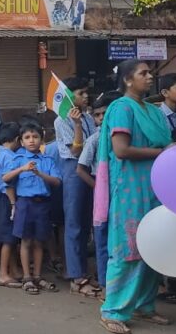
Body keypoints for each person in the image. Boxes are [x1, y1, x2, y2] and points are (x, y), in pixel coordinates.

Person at [95, 59, 174, 333]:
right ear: (128, 80)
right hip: (130, 187)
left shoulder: (153, 111)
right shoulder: (120, 109)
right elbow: (121, 150)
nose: (150, 77)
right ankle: (113, 310)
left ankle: (144, 305)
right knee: (127, 249)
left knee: (153, 247)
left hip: (156, 188)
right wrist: (163, 153)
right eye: (144, 73)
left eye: (150, 72)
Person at [53, 76, 100, 295]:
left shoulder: (90, 117)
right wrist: (78, 125)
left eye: (85, 92)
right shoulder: (62, 120)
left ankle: (84, 270)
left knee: (87, 222)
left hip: (90, 169)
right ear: (70, 99)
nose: (85, 96)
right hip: (73, 171)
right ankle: (76, 276)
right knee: (73, 224)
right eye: (80, 94)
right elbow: (75, 150)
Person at [4, 124, 61, 295]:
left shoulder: (47, 160)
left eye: (35, 137)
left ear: (41, 139)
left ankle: (37, 275)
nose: (31, 140)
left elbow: (57, 182)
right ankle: (27, 277)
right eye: (27, 137)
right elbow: (5, 178)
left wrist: (39, 174)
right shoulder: (18, 159)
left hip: (42, 204)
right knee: (26, 241)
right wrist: (22, 169)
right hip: (25, 203)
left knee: (39, 241)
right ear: (21, 141)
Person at [76, 90, 120, 294]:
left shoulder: (122, 137)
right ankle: (104, 284)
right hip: (101, 192)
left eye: (105, 113)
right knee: (102, 239)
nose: (101, 118)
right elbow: (80, 169)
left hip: (122, 191)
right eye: (97, 115)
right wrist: (99, 188)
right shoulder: (94, 139)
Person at [0, 122, 23, 288]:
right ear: (17, 139)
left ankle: (13, 269)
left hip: (1, 198)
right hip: (7, 198)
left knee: (9, 236)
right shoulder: (10, 157)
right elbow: (7, 182)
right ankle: (3, 273)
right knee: (8, 237)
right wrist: (13, 203)